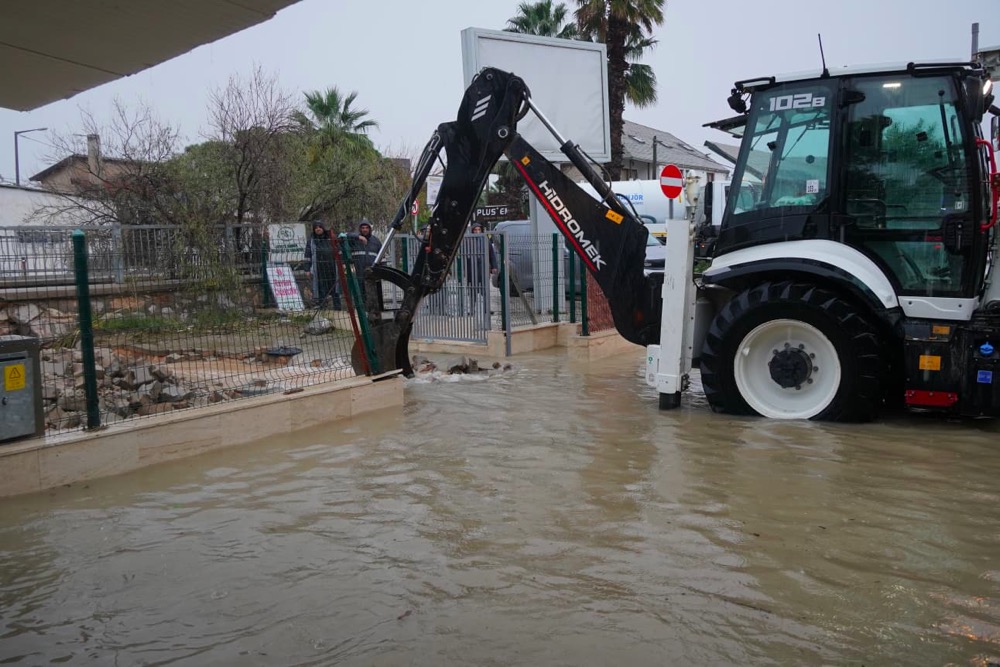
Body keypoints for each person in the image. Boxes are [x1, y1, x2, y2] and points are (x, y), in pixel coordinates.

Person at [304, 222, 341, 310]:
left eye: (320, 227)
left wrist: (342, 264)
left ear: (323, 228)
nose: (318, 229)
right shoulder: (311, 241)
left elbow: (339, 251)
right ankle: (322, 307)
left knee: (335, 288)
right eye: (316, 227)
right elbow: (307, 256)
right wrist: (307, 269)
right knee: (321, 288)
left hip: (332, 267)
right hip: (319, 269)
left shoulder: (331, 238)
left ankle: (337, 308)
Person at [464, 223, 498, 317]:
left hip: (483, 269)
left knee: (485, 291)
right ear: (472, 231)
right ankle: (472, 310)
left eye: (479, 230)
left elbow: (492, 255)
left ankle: (487, 309)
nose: (477, 231)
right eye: (475, 230)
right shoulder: (468, 241)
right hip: (471, 270)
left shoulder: (485, 240)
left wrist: (494, 266)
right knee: (472, 292)